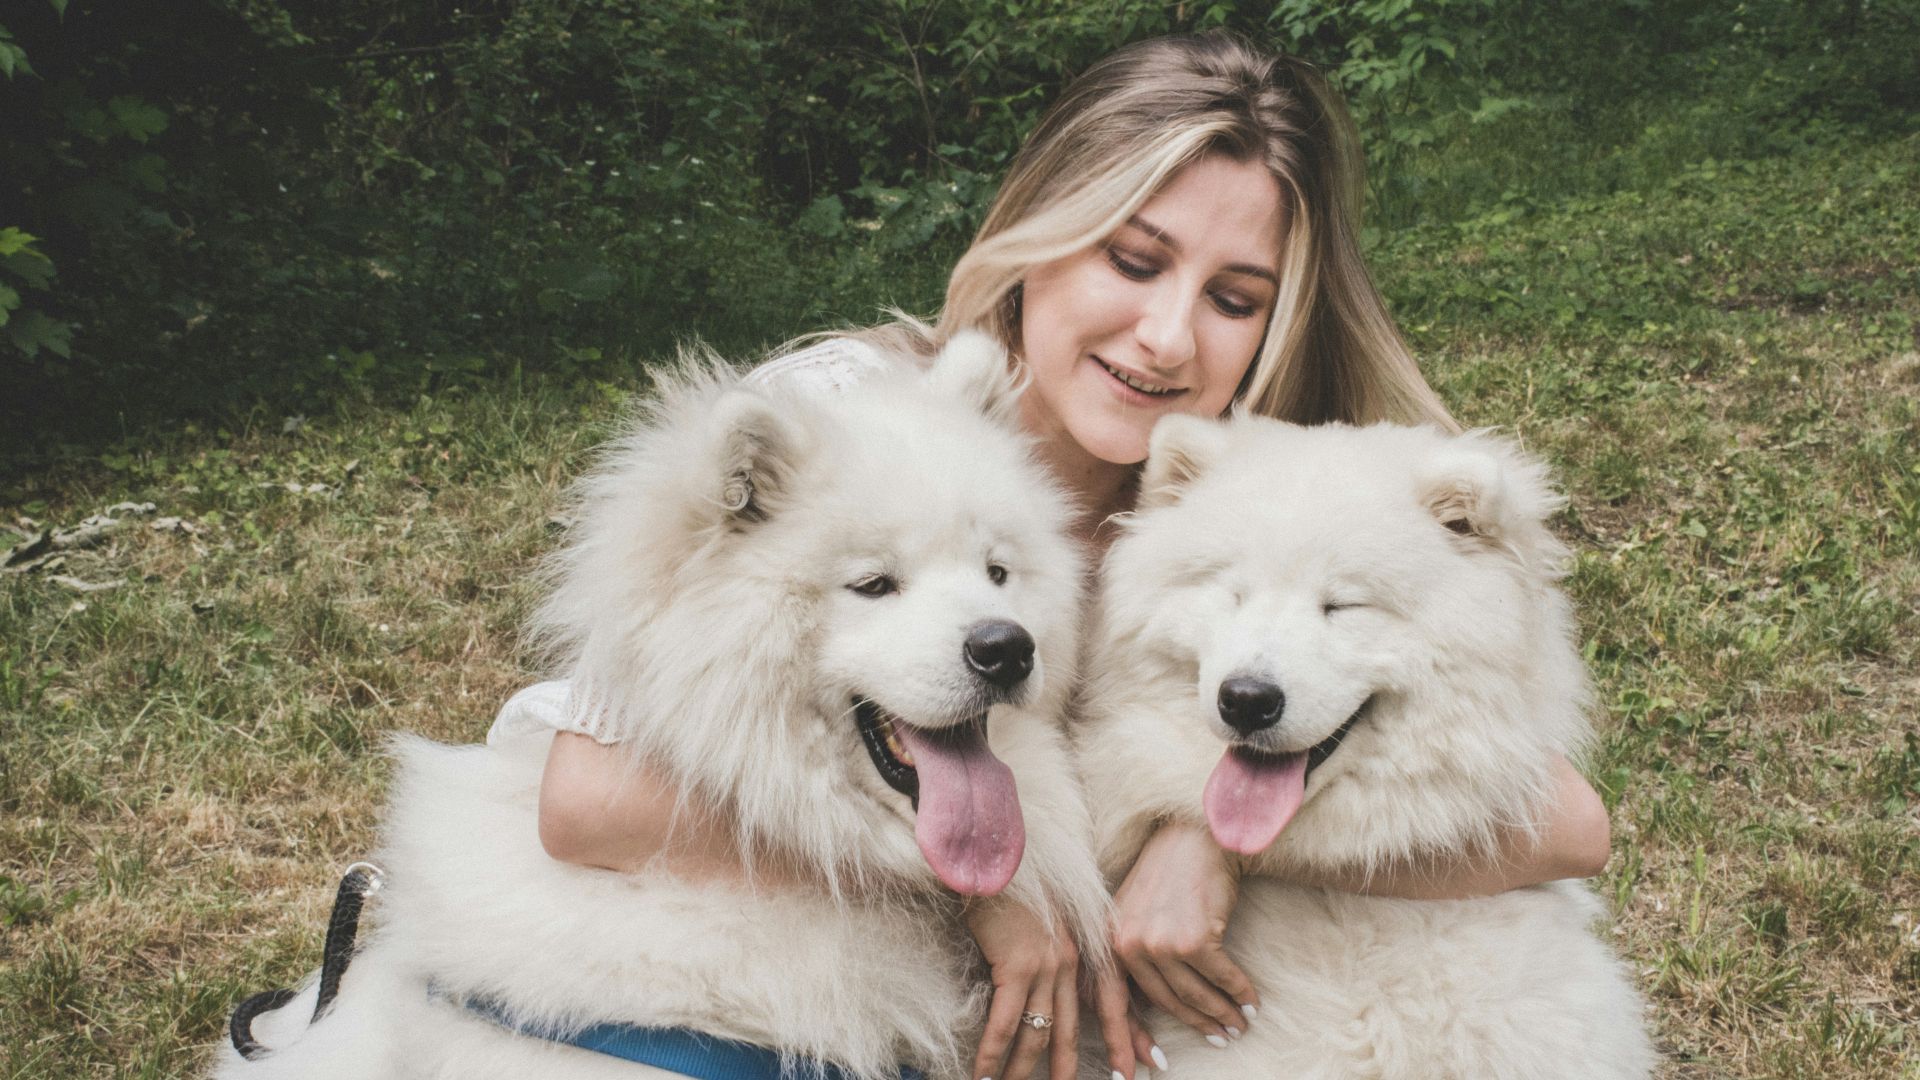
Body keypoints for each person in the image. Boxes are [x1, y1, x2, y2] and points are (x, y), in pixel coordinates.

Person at [496, 30, 1612, 1080]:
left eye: (1233, 300)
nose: (1168, 337)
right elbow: (586, 798)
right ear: (1041, 230)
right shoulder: (857, 424)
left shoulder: (1262, 487)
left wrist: (1216, 845)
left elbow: (1568, 825)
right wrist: (987, 888)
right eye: (1133, 261)